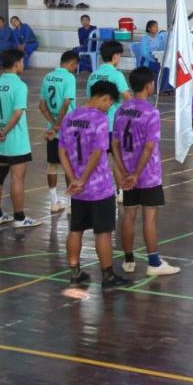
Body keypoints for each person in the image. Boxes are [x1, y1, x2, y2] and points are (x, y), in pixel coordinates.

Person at [58, 80, 127, 289]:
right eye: (109, 103)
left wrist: (73, 179)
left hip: (78, 191)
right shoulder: (100, 119)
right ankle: (107, 275)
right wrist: (83, 179)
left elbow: (62, 151)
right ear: (104, 98)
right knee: (103, 231)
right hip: (99, 188)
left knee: (76, 229)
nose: (108, 108)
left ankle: (75, 272)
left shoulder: (70, 116)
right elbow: (97, 153)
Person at [115, 66, 179, 277]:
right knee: (149, 217)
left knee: (129, 215)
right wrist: (136, 173)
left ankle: (128, 260)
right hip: (148, 174)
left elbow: (114, 144)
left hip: (127, 173)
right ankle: (154, 262)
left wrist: (125, 172)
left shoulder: (121, 110)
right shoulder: (151, 112)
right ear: (149, 86)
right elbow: (149, 147)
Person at [0, 50, 39, 229]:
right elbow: (17, 114)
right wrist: (4, 132)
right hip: (16, 142)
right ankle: (19, 217)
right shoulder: (19, 86)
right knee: (18, 178)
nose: (23, 64)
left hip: (0, 143)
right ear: (16, 64)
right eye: (22, 62)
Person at [40, 50, 80, 216]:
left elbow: (42, 105)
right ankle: (71, 203)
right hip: (68, 128)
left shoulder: (47, 77)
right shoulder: (69, 78)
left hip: (52, 129)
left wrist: (52, 124)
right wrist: (58, 124)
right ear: (72, 63)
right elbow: (66, 103)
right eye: (75, 66)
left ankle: (53, 201)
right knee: (68, 165)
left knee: (52, 165)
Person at [89, 40, 129, 128]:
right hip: (111, 123)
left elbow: (89, 98)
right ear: (115, 56)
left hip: (94, 122)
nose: (119, 58)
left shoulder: (92, 75)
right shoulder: (117, 75)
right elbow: (127, 97)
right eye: (119, 55)